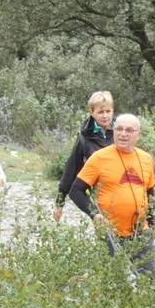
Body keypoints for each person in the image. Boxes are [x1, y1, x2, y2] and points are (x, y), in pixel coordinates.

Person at [68, 113, 155, 279]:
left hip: (141, 232)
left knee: (150, 281)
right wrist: (94, 214)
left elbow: (150, 194)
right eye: (119, 129)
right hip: (110, 232)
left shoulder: (146, 159)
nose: (123, 134)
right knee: (112, 282)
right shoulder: (99, 157)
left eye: (129, 130)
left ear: (138, 134)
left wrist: (152, 225)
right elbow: (76, 191)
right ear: (113, 131)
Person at [54, 91, 114, 221]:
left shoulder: (121, 133)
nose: (105, 116)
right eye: (100, 112)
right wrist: (59, 202)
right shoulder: (84, 137)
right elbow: (72, 168)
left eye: (108, 111)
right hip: (100, 195)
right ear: (92, 112)